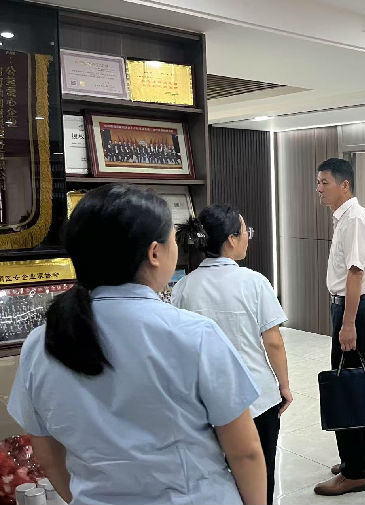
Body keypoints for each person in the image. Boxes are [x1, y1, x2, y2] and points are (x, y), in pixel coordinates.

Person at [6, 184, 266, 505]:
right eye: (173, 239)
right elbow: (245, 452)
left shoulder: (41, 343)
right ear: (154, 253)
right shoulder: (195, 335)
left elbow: (47, 455)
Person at [171, 205, 291, 505]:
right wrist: (284, 386)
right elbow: (273, 342)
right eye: (245, 231)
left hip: (205, 403)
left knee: (216, 477)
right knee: (261, 476)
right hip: (257, 398)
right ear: (231, 239)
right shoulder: (254, 282)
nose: (248, 237)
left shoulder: (183, 287)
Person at [313, 158, 365, 497]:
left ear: (344, 185)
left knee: (348, 387)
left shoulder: (354, 219)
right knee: (360, 384)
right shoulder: (348, 218)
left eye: (324, 182)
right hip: (356, 308)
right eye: (318, 182)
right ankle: (363, 461)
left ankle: (354, 472)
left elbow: (355, 273)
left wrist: (347, 323)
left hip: (353, 309)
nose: (319, 188)